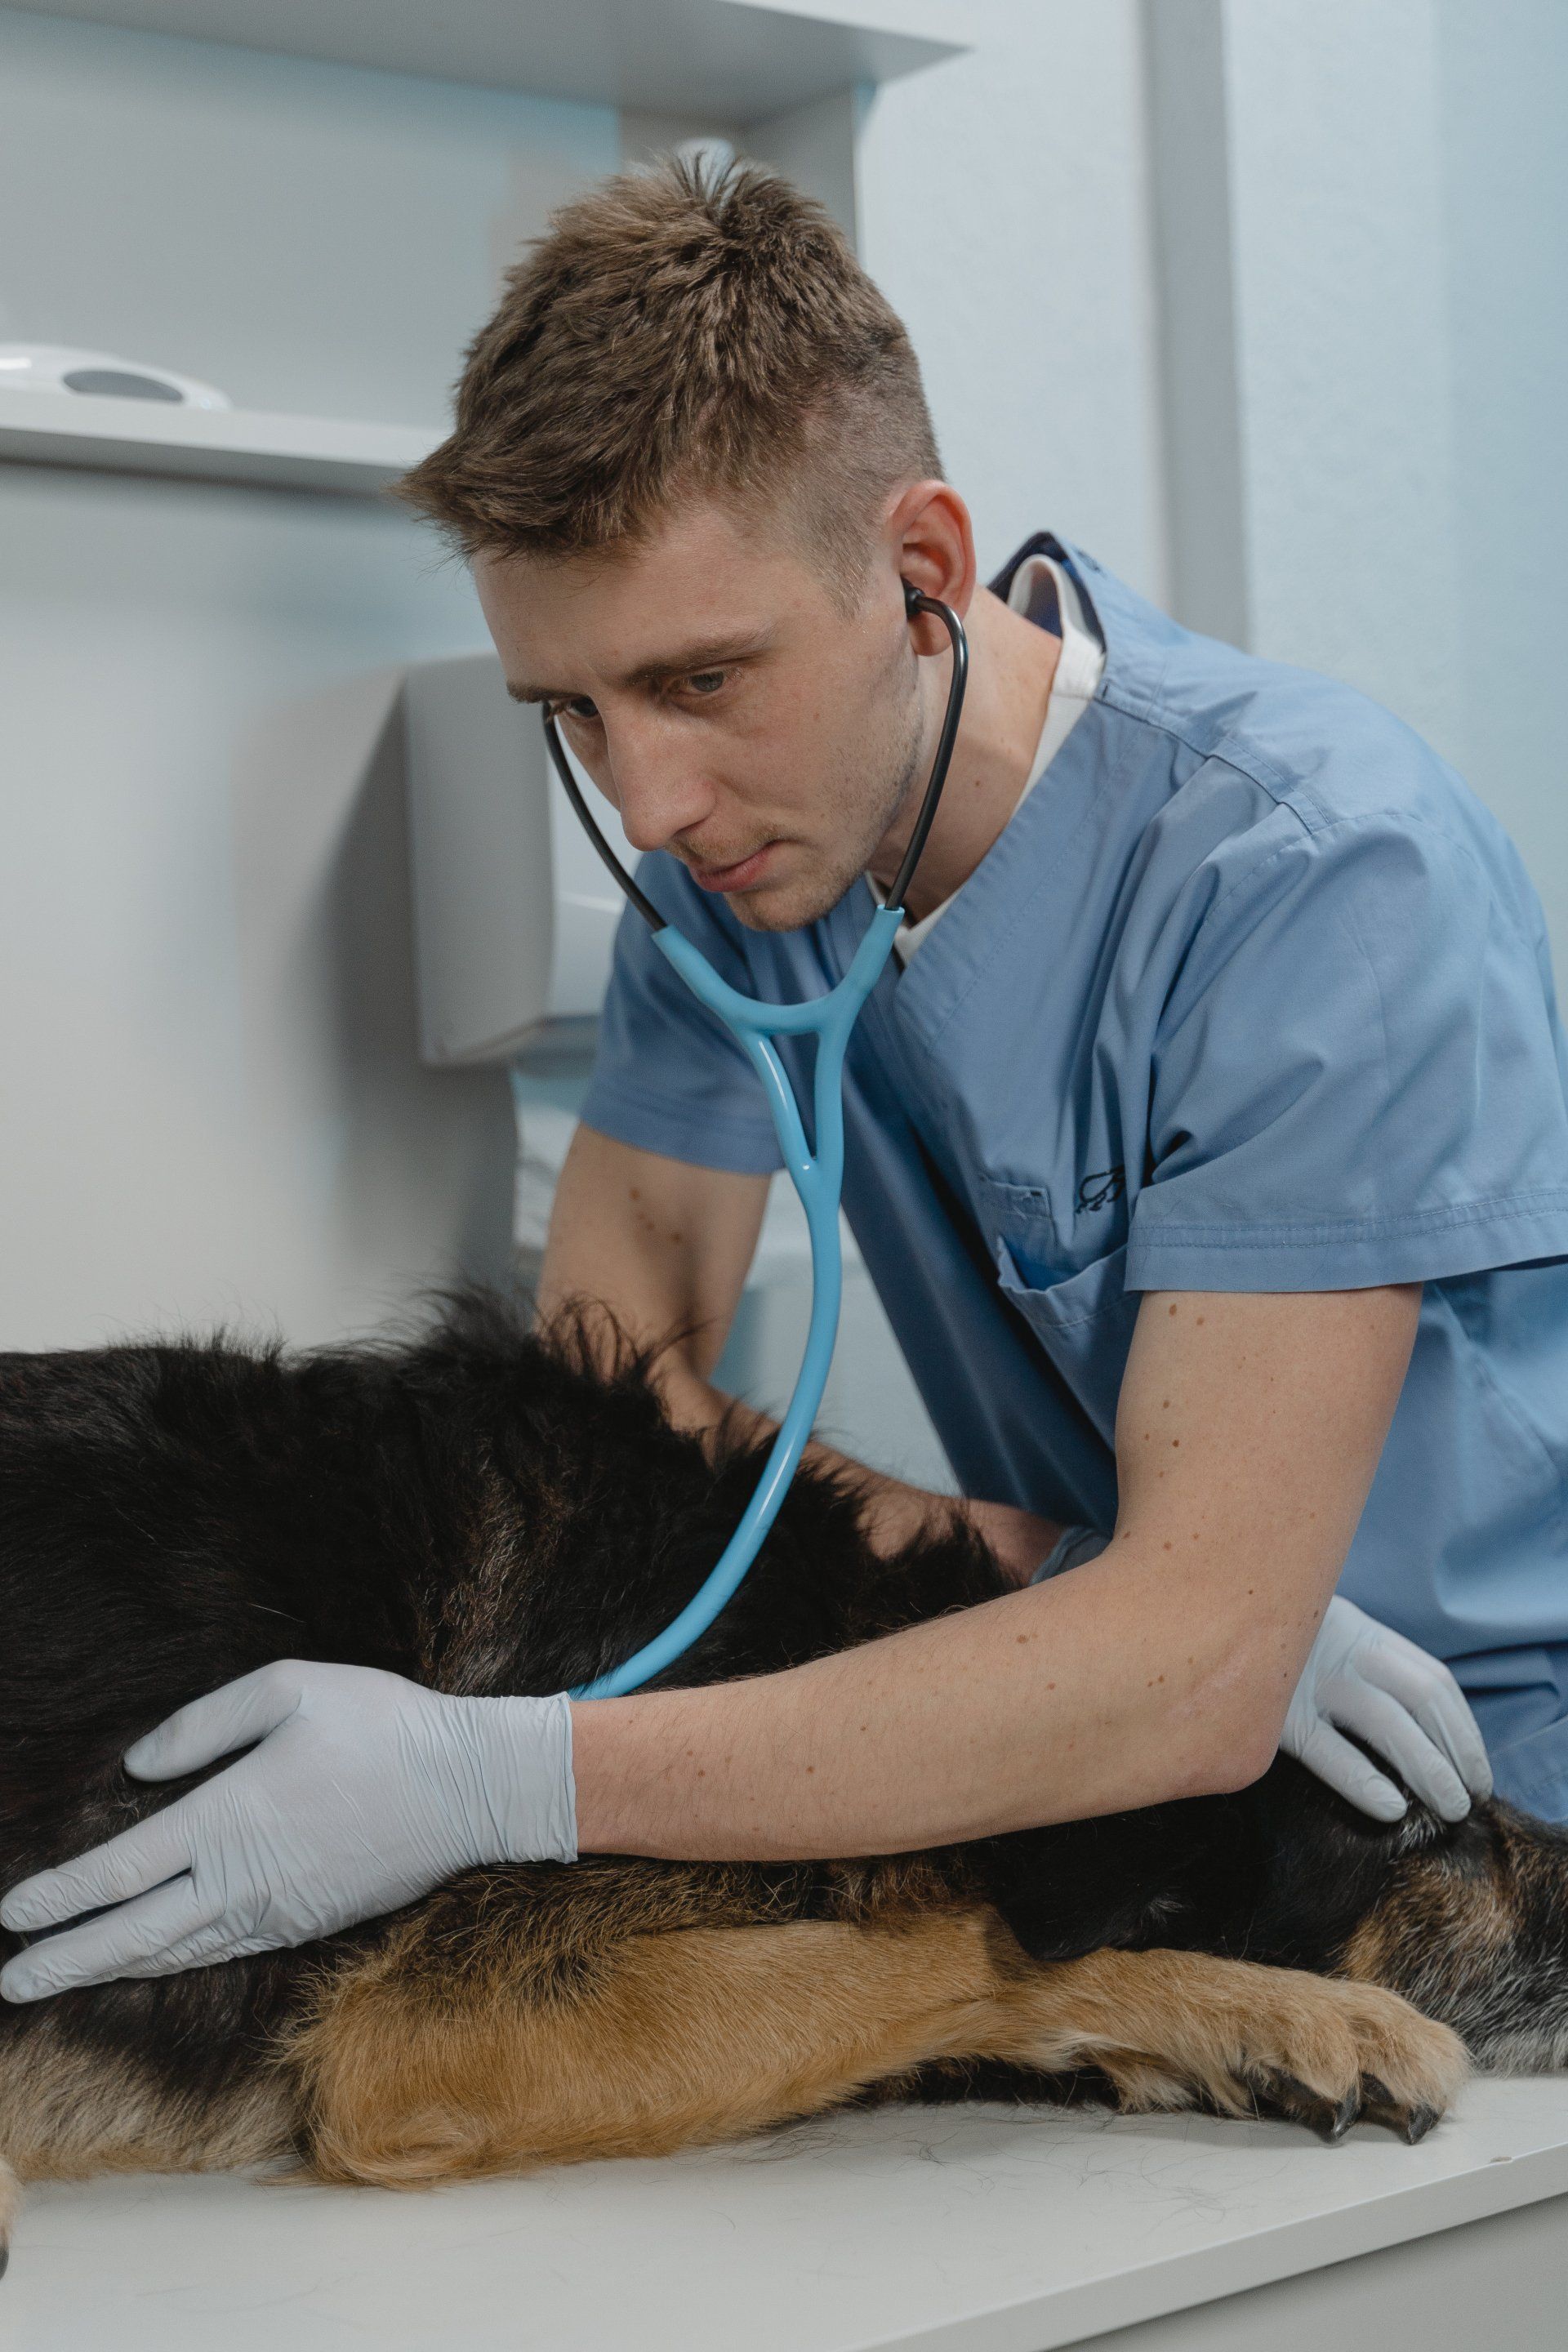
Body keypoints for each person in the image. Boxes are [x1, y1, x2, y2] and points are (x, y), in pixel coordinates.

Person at [7, 158, 1566, 2003]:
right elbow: (612, 1377)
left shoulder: (1308, 878)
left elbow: (1200, 1673)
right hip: (1133, 1786)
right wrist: (1048, 1562)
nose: (650, 805)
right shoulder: (751, 884)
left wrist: (505, 1780)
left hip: (1490, 1824)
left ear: (921, 573)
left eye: (701, 679)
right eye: (575, 711)